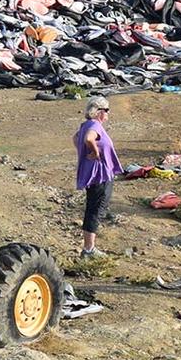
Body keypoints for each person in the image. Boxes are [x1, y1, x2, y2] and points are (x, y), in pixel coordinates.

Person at [74, 96, 123, 258]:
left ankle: (89, 247)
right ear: (100, 112)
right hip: (99, 174)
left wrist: (83, 152)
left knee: (93, 207)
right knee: (96, 209)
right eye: (107, 110)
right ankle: (89, 249)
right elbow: (88, 138)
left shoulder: (85, 125)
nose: (108, 114)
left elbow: (76, 138)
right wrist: (95, 153)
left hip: (93, 173)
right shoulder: (94, 125)